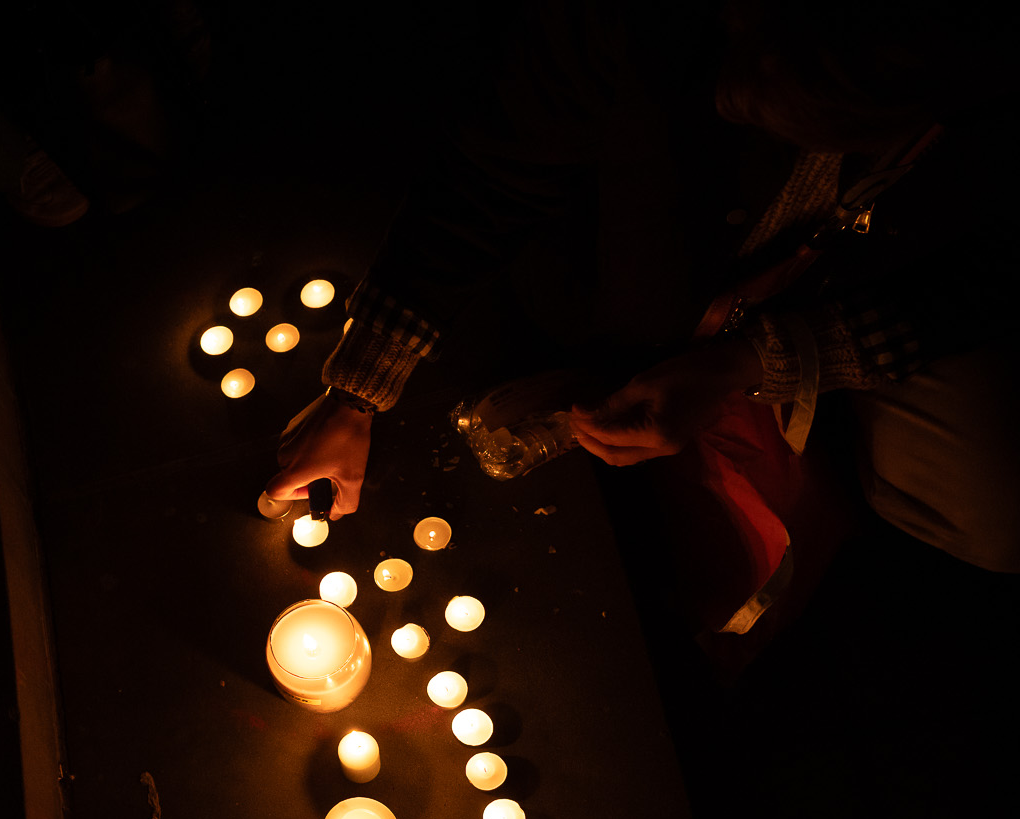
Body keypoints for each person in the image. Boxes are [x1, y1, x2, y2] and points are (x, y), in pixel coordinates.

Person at [264, 0, 1020, 575]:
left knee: (998, 519)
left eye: (803, 120)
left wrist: (758, 361)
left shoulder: (978, 118)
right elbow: (489, 178)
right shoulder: (624, 23)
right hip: (708, 272)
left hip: (880, 267)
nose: (742, 104)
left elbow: (974, 280)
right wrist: (358, 389)